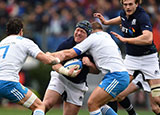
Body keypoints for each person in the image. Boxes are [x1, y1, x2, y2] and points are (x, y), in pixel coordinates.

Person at [94, 0, 160, 114]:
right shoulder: (124, 13)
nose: (127, 7)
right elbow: (121, 18)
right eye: (125, 4)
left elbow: (148, 38)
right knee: (115, 92)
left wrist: (126, 40)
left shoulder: (142, 16)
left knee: (156, 102)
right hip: (131, 60)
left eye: (130, 4)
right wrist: (106, 22)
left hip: (149, 60)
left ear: (137, 4)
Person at [50, 21, 130, 115]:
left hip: (116, 76)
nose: (79, 34)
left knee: (92, 104)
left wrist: (49, 55)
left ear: (90, 32)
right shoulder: (106, 36)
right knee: (100, 104)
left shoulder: (92, 38)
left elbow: (69, 53)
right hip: (116, 75)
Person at [0, 17, 56, 115]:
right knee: (39, 106)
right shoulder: (25, 42)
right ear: (21, 31)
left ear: (7, 31)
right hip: (7, 82)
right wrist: (57, 59)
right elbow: (47, 61)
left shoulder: (1, 43)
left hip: (4, 80)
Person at [43, 20, 100, 115]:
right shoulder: (67, 44)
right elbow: (54, 63)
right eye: (77, 30)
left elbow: (96, 71)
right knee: (46, 104)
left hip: (77, 85)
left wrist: (90, 64)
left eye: (82, 32)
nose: (78, 33)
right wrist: (65, 71)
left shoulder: (92, 49)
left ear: (88, 36)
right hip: (60, 78)